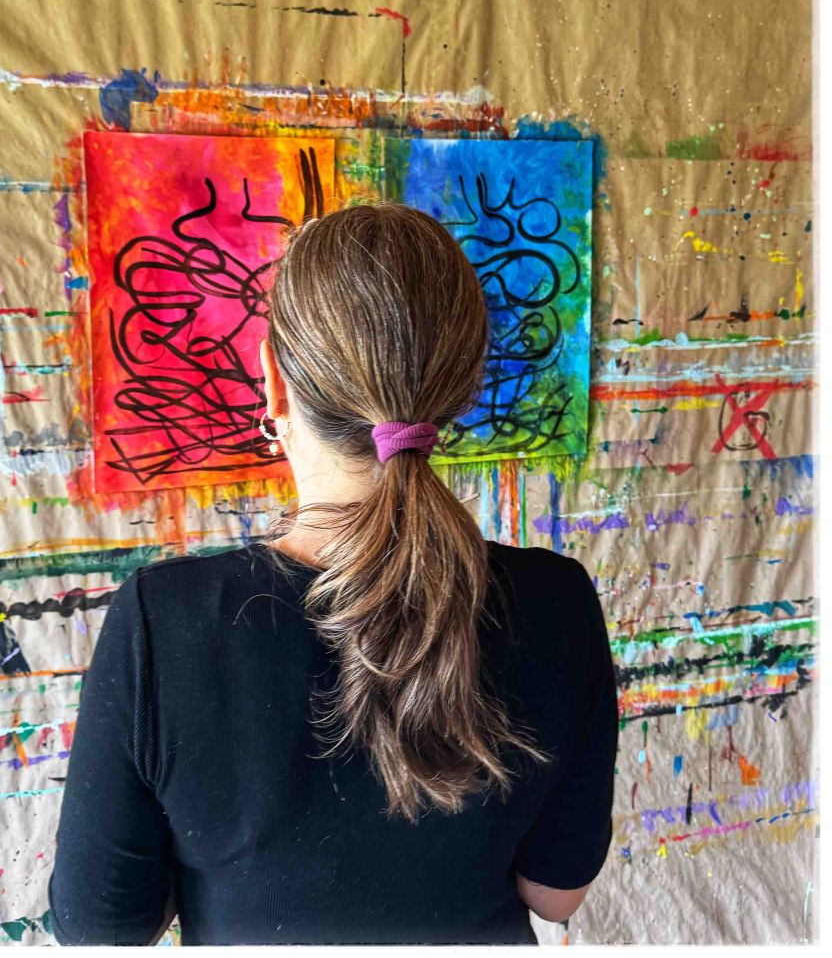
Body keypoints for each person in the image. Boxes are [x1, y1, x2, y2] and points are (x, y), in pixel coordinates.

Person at [47, 202, 619, 945]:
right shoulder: (557, 601)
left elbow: (98, 930)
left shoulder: (164, 621)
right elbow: (555, 896)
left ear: (274, 384)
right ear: (464, 382)